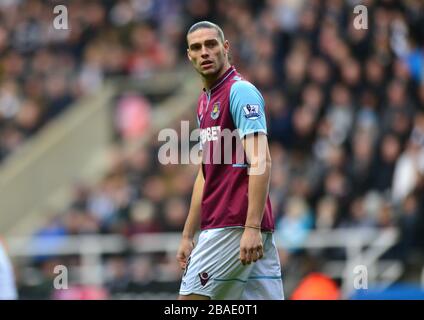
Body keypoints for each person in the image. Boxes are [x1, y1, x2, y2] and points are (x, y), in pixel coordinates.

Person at [176, 21, 284, 300]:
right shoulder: (205, 101)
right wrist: (188, 234)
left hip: (234, 224)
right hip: (231, 226)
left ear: (225, 48)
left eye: (211, 44)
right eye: (197, 48)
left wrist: (251, 227)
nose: (204, 52)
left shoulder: (240, 92)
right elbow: (205, 173)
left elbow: (261, 160)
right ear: (189, 55)